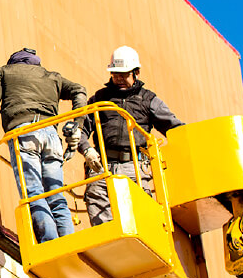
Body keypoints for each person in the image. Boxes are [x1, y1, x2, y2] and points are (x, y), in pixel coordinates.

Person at [0, 48, 87, 243]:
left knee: (34, 192)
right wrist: (77, 124)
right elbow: (79, 90)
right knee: (56, 194)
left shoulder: (4, 72)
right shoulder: (52, 76)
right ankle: (70, 245)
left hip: (23, 132)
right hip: (51, 135)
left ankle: (50, 244)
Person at [78, 45, 185, 226]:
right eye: (115, 74)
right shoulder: (100, 99)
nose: (118, 78)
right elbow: (80, 129)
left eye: (124, 74)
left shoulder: (148, 100)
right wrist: (86, 150)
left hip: (134, 167)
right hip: (102, 165)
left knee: (139, 216)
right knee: (97, 204)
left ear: (136, 72)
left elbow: (174, 127)